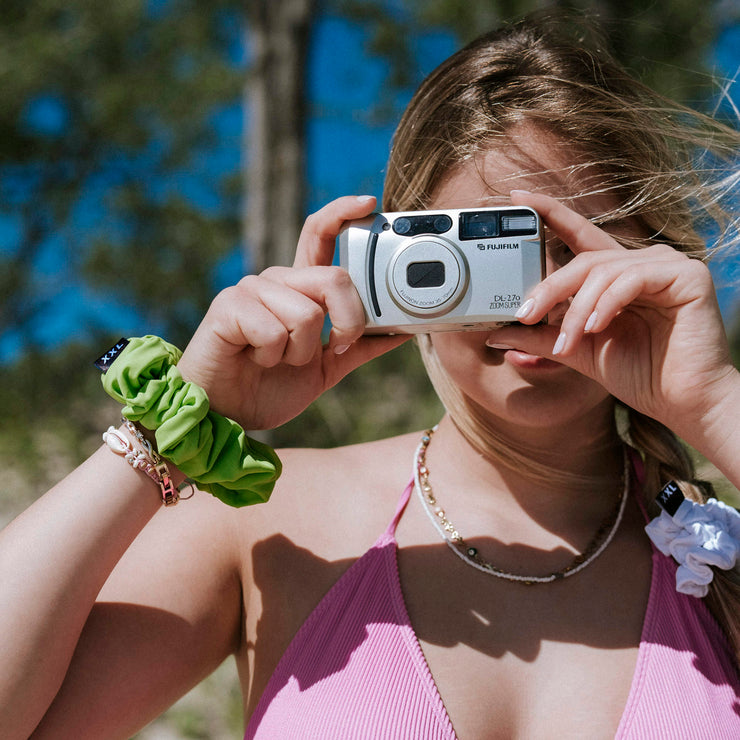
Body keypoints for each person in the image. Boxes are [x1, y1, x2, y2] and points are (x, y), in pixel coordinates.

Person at [2, 12, 740, 739]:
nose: (539, 298)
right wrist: (171, 426)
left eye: (578, 249)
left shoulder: (718, 554)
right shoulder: (270, 522)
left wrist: (714, 403)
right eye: (491, 256)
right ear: (399, 265)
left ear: (649, 259)